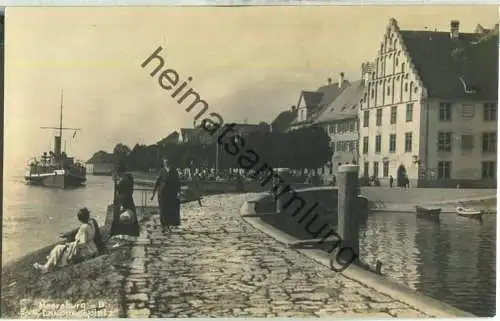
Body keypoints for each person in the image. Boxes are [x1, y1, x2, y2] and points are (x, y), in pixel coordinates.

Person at [33, 208, 99, 273]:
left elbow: (82, 243)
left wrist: (70, 245)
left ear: (80, 219)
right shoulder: (91, 222)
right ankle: (50, 262)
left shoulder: (84, 227)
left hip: (85, 251)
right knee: (60, 249)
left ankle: (45, 268)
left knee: (58, 248)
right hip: (92, 247)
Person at [109, 161, 140, 239]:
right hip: (127, 201)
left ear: (121, 172)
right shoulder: (128, 178)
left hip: (124, 202)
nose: (118, 174)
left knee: (124, 219)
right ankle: (130, 234)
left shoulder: (125, 180)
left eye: (119, 172)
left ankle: (123, 234)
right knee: (130, 220)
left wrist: (115, 181)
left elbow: (119, 190)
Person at [151, 157, 181, 233]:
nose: (166, 163)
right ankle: (163, 225)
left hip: (171, 193)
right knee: (162, 209)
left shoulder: (174, 170)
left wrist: (178, 192)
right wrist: (153, 193)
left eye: (167, 162)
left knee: (169, 210)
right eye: (165, 162)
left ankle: (168, 225)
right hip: (162, 192)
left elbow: (177, 181)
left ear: (169, 162)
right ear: (163, 163)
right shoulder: (161, 171)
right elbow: (157, 181)